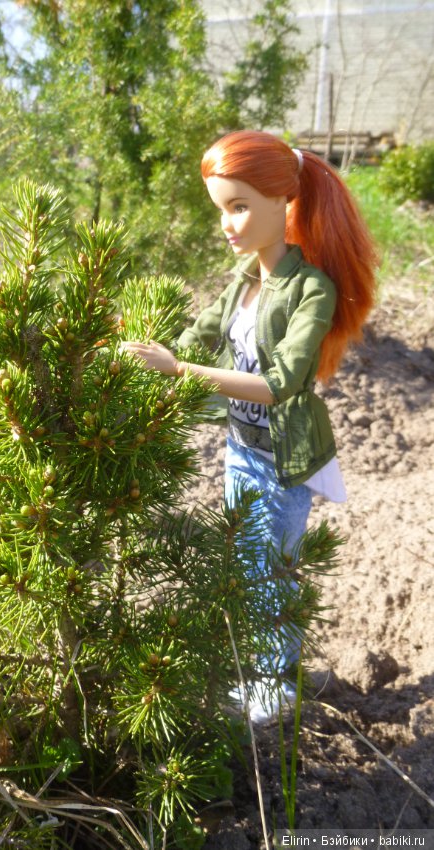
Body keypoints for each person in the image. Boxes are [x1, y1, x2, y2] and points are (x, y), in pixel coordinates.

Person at [123, 129, 377, 721]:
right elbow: (199, 333)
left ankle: (276, 684)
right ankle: (254, 671)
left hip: (282, 455)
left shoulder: (311, 288)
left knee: (272, 571)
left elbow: (281, 382)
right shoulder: (244, 281)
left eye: (239, 207)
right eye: (222, 210)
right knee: (245, 563)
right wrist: (145, 355)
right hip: (239, 447)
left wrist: (179, 369)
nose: (228, 224)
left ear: (282, 203)